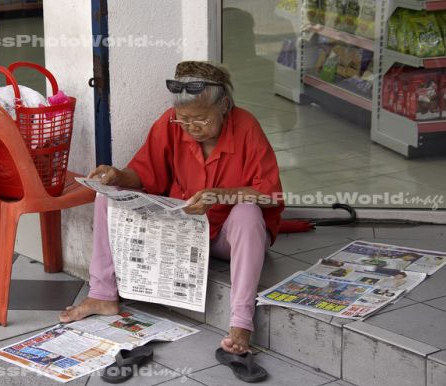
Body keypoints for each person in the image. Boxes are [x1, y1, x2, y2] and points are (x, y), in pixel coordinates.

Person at [59, 61, 284, 355]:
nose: (192, 128)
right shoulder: (170, 124)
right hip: (184, 231)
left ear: (224, 106)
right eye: (184, 120)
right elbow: (146, 172)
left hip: (226, 238)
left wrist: (222, 196)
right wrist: (118, 175)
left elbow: (269, 195)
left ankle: (241, 323)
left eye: (201, 119)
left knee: (247, 212)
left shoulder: (246, 127)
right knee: (107, 195)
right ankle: (102, 293)